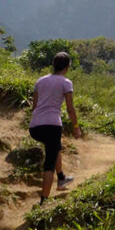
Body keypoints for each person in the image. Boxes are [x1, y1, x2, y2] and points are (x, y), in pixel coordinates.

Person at [29, 51, 82, 204]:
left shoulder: (40, 81)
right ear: (67, 67)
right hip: (52, 126)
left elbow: (35, 106)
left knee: (54, 147)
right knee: (49, 164)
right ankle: (43, 201)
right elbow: (70, 109)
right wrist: (76, 127)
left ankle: (61, 178)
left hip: (35, 127)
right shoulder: (66, 82)